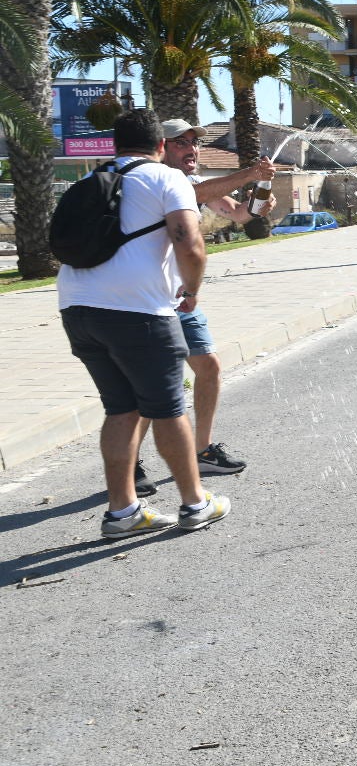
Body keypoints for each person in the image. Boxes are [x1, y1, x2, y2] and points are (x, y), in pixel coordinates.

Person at [57, 109, 231, 538]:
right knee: (168, 407)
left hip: (76, 308)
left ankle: (124, 513)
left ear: (115, 145)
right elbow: (189, 242)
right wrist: (191, 291)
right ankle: (195, 503)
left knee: (121, 408)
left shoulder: (89, 181)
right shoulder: (165, 178)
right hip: (139, 312)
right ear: (159, 146)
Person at [129, 120, 271, 496]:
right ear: (161, 147)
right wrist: (252, 172)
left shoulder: (193, 185)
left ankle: (202, 450)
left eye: (194, 142)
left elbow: (237, 214)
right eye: (181, 143)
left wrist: (256, 207)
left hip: (183, 298)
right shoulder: (156, 179)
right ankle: (130, 463)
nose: (191, 148)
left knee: (208, 367)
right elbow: (204, 191)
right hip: (151, 298)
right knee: (151, 385)